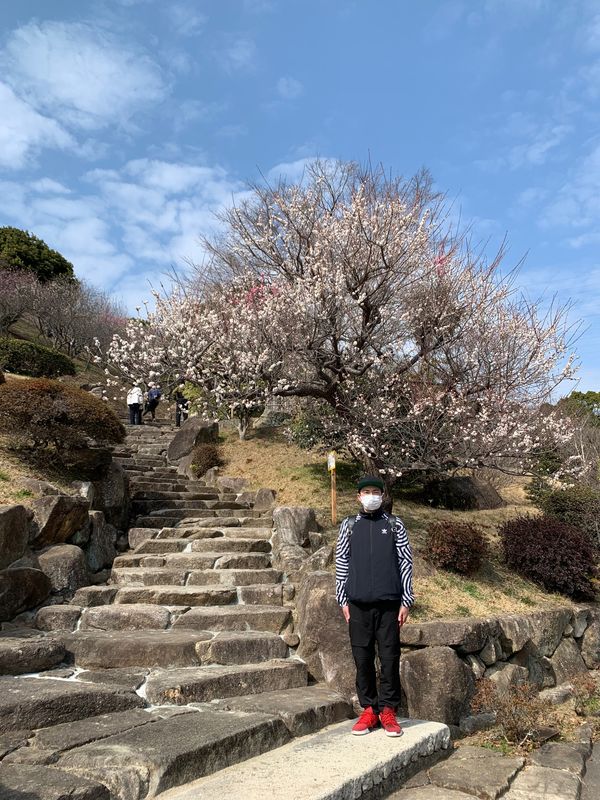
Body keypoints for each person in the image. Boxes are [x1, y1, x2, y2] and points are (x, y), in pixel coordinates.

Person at [335, 475, 414, 737]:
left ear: (382, 495)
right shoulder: (349, 525)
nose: (371, 496)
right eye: (366, 491)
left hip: (390, 604)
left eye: (375, 491)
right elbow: (342, 562)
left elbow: (405, 562)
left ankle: (388, 710)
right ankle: (369, 709)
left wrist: (406, 600)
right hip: (357, 604)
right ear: (358, 496)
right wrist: (342, 599)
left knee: (390, 658)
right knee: (363, 658)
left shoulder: (394, 524)